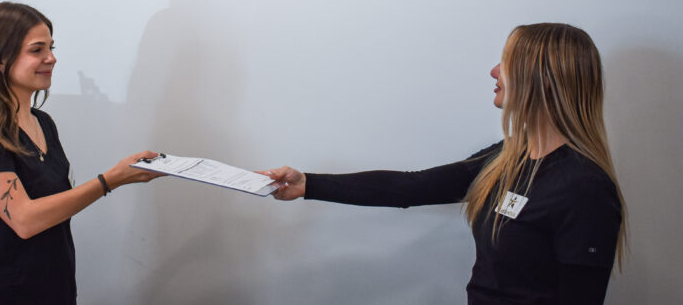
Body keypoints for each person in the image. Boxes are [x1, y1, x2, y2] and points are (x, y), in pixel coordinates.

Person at [264, 23, 627, 305]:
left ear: (543, 79)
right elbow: (410, 187)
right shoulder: (507, 158)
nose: (493, 71)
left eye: (508, 62)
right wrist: (307, 183)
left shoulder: (584, 188)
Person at [0, 2, 160, 305]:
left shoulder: (44, 124)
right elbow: (25, 220)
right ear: (0, 59)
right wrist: (110, 181)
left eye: (51, 48)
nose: (51, 58)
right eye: (37, 50)